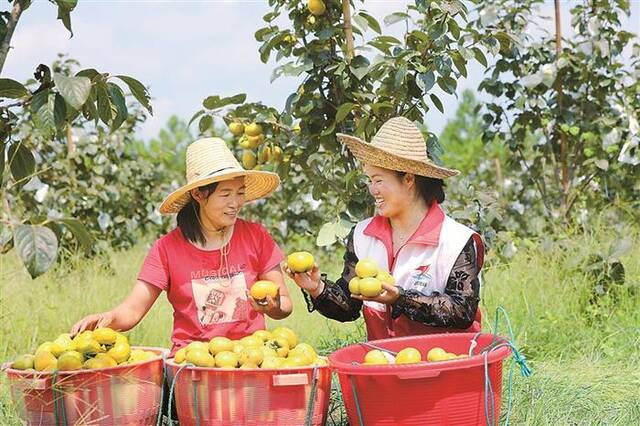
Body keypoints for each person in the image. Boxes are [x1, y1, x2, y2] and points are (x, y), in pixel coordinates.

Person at [71, 137, 292, 353]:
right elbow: (133, 310)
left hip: (250, 360)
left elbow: (285, 304)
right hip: (192, 366)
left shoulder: (256, 236)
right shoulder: (166, 249)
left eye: (240, 193)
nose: (235, 203)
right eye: (225, 194)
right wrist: (106, 319)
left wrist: (273, 307)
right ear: (198, 194)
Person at [287, 117, 484, 340]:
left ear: (409, 179)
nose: (372, 190)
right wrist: (317, 288)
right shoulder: (362, 236)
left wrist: (400, 298)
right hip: (384, 364)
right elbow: (350, 307)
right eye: (369, 180)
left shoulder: (455, 240)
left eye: (378, 180)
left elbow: (462, 310)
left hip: (444, 365)